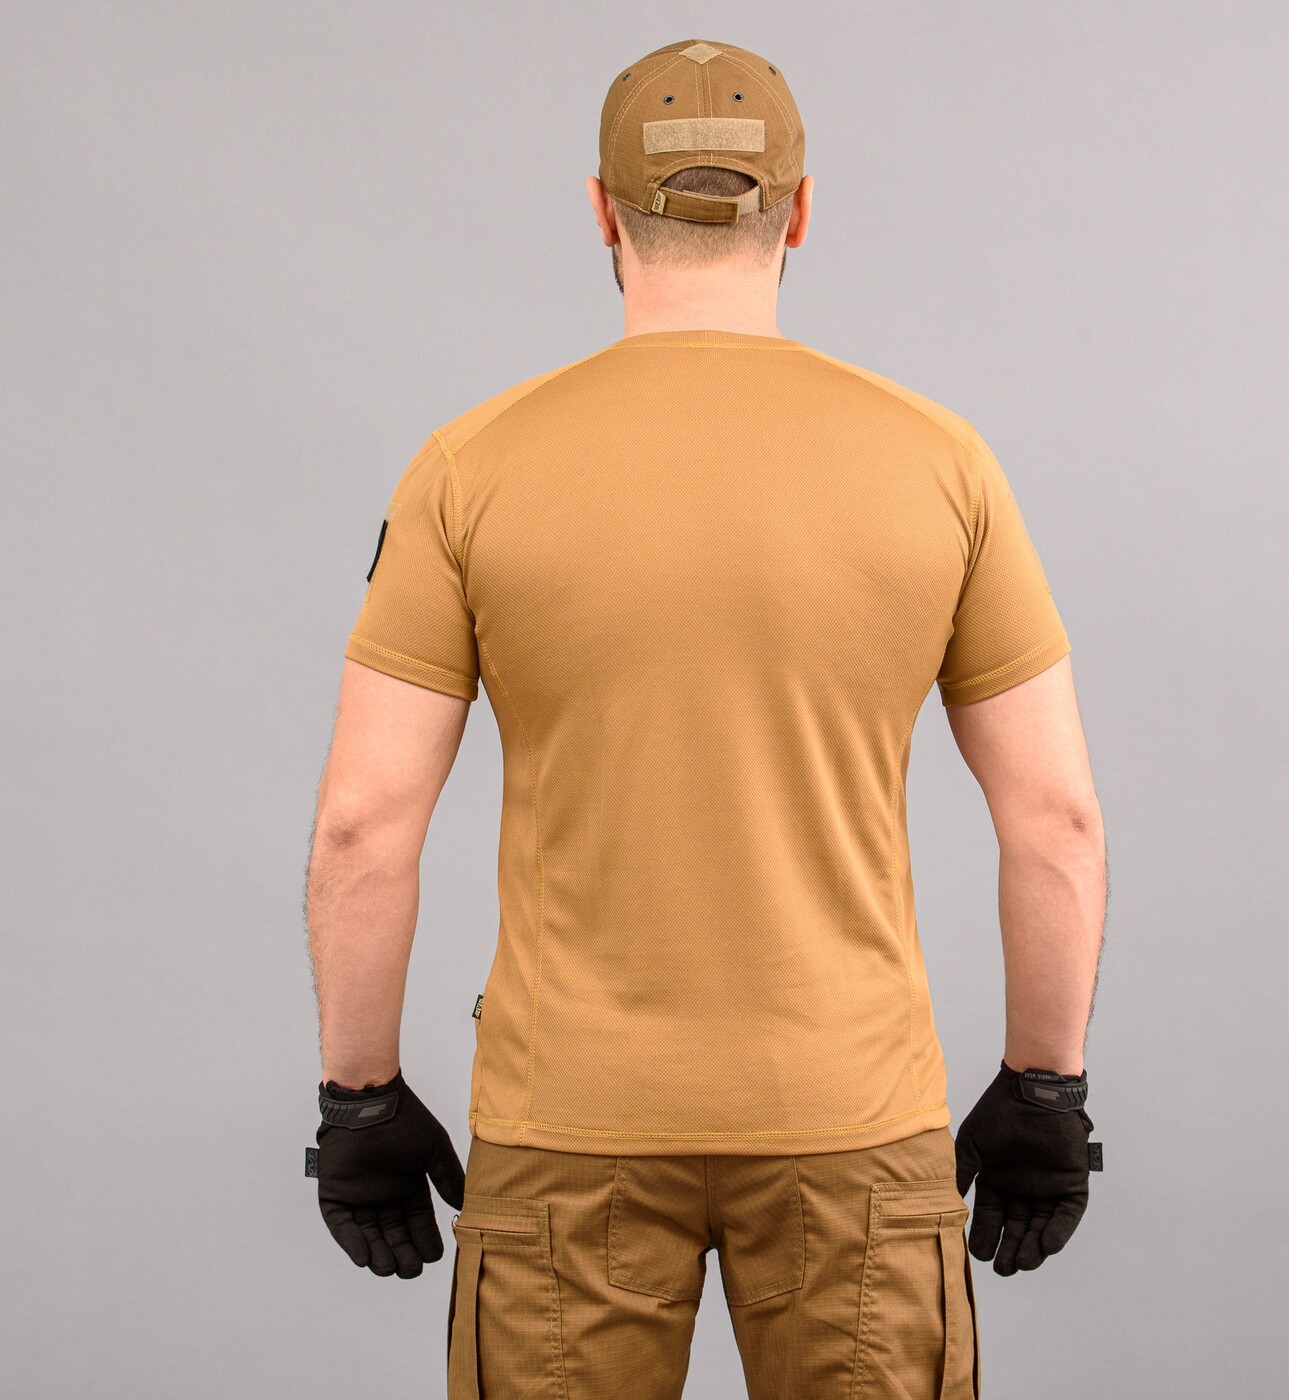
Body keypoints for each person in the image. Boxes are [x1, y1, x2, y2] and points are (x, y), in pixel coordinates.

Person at [303, 38, 1107, 1400]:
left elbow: (362, 828)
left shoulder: (469, 467)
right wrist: (1047, 1089)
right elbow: (1057, 820)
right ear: (800, 212)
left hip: (568, 1128)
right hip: (853, 1116)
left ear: (601, 212)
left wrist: (359, 1099)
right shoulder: (942, 462)